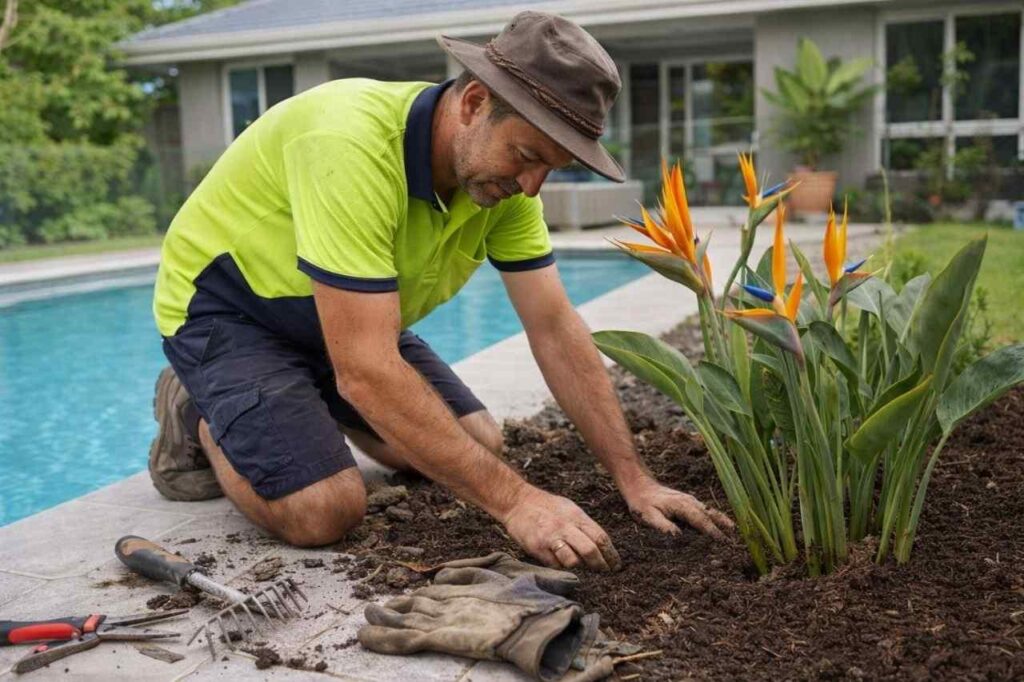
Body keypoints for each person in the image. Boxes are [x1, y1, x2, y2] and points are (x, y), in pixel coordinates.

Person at [149, 10, 732, 571]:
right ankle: (202, 412)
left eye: (551, 168)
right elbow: (368, 369)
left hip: (345, 321)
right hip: (233, 314)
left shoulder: (503, 188)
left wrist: (636, 480)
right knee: (323, 509)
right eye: (528, 156)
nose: (532, 187)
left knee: (479, 440)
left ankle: (303, 396)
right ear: (475, 103)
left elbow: (553, 326)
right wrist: (519, 504)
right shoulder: (349, 144)